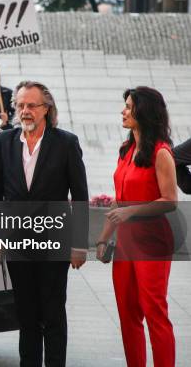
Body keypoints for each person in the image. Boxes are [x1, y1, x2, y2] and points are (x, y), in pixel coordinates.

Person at [0, 81, 88, 367]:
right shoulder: (5, 141)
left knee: (53, 313)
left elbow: (80, 196)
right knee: (26, 314)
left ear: (47, 109)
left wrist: (79, 244)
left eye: (31, 105)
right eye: (20, 105)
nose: (25, 111)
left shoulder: (66, 143)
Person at [96, 86, 177, 367]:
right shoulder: (126, 149)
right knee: (127, 313)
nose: (123, 111)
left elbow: (170, 200)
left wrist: (132, 211)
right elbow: (119, 200)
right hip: (126, 243)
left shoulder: (161, 152)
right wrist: (103, 239)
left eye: (129, 106)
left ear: (144, 111)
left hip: (153, 241)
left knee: (154, 312)